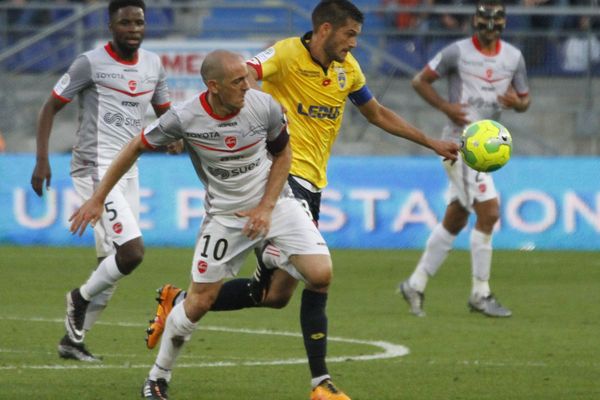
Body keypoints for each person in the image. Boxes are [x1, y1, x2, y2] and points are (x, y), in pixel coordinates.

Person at [145, 1, 458, 398]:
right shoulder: (286, 53)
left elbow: (376, 113)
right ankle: (321, 382)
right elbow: (241, 76)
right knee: (317, 274)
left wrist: (430, 142)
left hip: (314, 185)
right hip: (279, 178)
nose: (355, 44)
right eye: (350, 35)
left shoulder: (348, 70)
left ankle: (183, 299)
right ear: (325, 29)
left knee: (274, 296)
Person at [69, 49, 346, 400]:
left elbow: (283, 154)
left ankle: (320, 385)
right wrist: (97, 197)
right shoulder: (185, 118)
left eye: (247, 78)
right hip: (225, 217)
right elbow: (134, 147)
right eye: (237, 82)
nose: (247, 86)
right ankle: (157, 378)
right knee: (199, 302)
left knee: (320, 275)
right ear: (213, 86)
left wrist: (266, 206)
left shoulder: (264, 106)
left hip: (276, 205)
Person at [30, 0, 172, 362]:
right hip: (93, 166)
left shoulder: (154, 65)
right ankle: (77, 299)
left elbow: (165, 114)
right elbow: (50, 107)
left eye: (139, 22)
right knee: (132, 252)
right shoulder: (90, 63)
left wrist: (175, 137)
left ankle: (72, 342)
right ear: (111, 25)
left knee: (110, 266)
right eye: (125, 23)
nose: (134, 29)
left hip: (128, 168)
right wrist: (42, 160)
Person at [398, 0, 531, 317]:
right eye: (484, 19)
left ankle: (414, 284)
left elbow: (525, 100)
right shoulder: (457, 52)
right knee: (489, 213)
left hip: (486, 145)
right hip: (459, 144)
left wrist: (517, 103)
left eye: (496, 19)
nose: (490, 25)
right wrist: (445, 107)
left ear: (503, 23)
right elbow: (420, 80)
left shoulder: (513, 57)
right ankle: (480, 293)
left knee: (456, 219)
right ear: (475, 20)